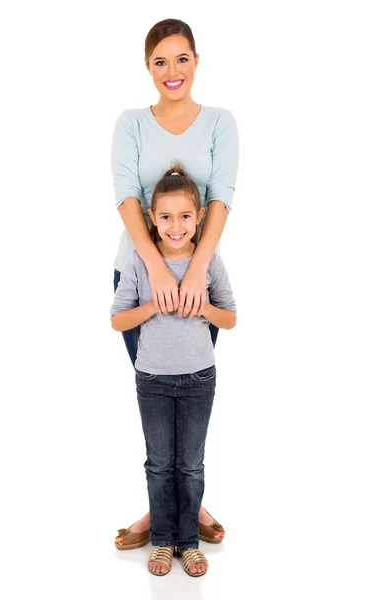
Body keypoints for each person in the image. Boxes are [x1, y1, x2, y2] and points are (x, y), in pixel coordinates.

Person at [111, 17, 239, 549]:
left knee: (190, 391)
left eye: (181, 58)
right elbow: (124, 195)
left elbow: (222, 196)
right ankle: (169, 509)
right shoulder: (131, 122)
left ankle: (186, 505)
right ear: (148, 67)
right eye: (160, 61)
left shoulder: (220, 122)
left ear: (196, 61)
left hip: (197, 279)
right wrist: (158, 267)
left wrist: (195, 273)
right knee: (157, 394)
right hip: (139, 273)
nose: (171, 71)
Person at [110, 165, 237, 576]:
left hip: (200, 377)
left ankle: (189, 543)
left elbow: (230, 317)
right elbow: (118, 320)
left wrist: (204, 307)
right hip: (152, 379)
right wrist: (151, 306)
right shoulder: (137, 264)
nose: (175, 226)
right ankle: (163, 541)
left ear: (199, 218)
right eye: (165, 217)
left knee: (191, 464)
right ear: (150, 217)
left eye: (185, 216)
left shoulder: (209, 262)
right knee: (159, 464)